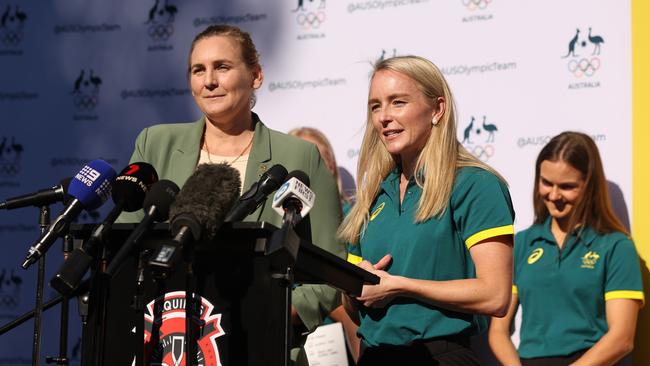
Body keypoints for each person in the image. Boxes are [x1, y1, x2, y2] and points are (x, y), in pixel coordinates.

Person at [118, 24, 345, 364]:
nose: (209, 81)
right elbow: (125, 245)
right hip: (167, 344)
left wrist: (275, 310)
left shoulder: (300, 157)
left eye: (222, 67)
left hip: (259, 347)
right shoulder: (154, 144)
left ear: (256, 75)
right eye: (198, 70)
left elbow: (332, 271)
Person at [338, 55, 515, 365]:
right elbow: (352, 309)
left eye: (398, 102)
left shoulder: (475, 185)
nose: (383, 117)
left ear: (437, 109)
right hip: (374, 357)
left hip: (442, 355)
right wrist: (355, 286)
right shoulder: (371, 196)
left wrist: (400, 286)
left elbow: (495, 295)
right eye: (375, 106)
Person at [488, 131, 645, 366]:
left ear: (589, 186)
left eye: (567, 186)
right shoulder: (522, 243)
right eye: (546, 183)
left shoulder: (615, 246)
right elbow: (498, 331)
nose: (553, 195)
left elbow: (621, 338)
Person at [289, 126, 361, 363]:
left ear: (331, 166)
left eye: (320, 159)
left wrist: (331, 306)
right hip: (292, 341)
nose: (313, 168)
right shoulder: (278, 226)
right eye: (303, 161)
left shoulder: (356, 219)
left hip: (344, 340)